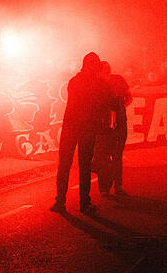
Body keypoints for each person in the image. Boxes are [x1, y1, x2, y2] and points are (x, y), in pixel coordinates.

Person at [51, 52, 109, 215]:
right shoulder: (95, 84)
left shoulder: (74, 81)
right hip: (85, 129)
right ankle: (84, 203)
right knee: (83, 166)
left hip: (71, 127)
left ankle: (60, 202)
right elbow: (100, 105)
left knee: (65, 165)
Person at [95, 61, 131, 198]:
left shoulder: (118, 80)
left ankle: (115, 186)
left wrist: (119, 111)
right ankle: (108, 187)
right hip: (104, 125)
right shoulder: (97, 84)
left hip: (118, 123)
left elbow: (129, 97)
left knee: (115, 155)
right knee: (106, 156)